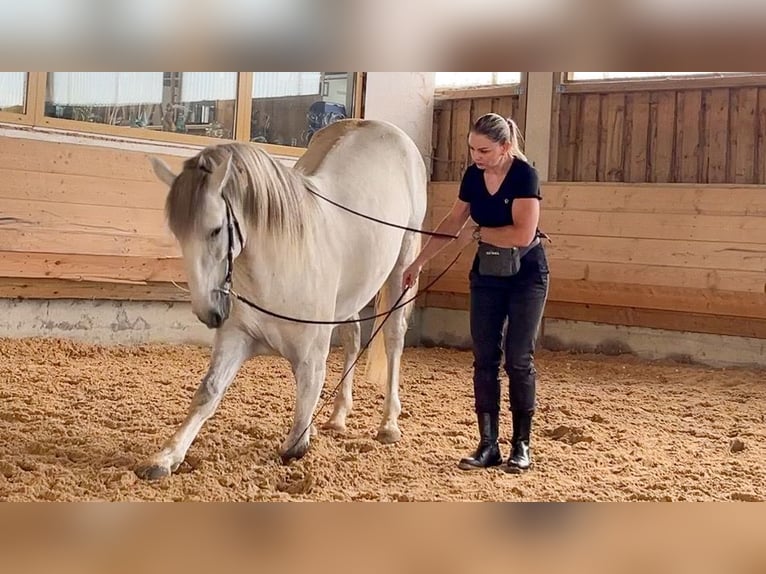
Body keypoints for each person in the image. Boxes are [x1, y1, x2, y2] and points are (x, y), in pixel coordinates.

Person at [403, 112, 549, 473]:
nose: (476, 157)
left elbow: (522, 235)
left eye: (484, 150)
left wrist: (481, 234)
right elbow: (454, 221)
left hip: (526, 274)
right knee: (484, 358)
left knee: (518, 358)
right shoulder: (473, 176)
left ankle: (521, 445)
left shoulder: (524, 175)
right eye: (472, 149)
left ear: (505, 146)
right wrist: (419, 262)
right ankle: (488, 445)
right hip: (487, 272)